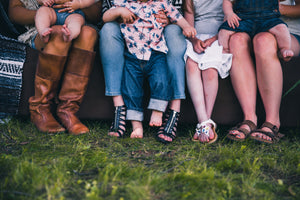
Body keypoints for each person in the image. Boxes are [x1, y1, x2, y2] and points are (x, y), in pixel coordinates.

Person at [102, 0, 196, 139]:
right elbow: (105, 17)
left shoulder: (161, 3)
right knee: (131, 90)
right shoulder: (125, 3)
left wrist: (186, 26)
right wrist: (119, 11)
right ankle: (136, 126)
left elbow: (177, 15)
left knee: (161, 81)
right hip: (132, 54)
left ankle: (158, 111)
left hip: (155, 52)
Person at [9, 0, 102, 135]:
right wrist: (47, 14)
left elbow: (96, 15)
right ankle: (40, 109)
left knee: (88, 33)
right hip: (41, 26)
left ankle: (68, 110)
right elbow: (14, 12)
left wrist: (72, 3)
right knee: (57, 33)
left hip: (77, 21)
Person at [224, 0, 300, 144]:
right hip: (251, 26)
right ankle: (249, 118)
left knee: (263, 41)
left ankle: (272, 122)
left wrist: (273, 8)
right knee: (237, 40)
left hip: (288, 33)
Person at [183, 0, 232, 143]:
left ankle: (206, 120)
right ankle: (203, 121)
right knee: (191, 64)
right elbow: (189, 25)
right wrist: (194, 40)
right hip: (196, 38)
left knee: (210, 69)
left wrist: (213, 39)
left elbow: (229, 21)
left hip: (219, 38)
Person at [218, 0, 294, 62]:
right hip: (243, 19)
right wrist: (229, 13)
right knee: (224, 31)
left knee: (281, 28)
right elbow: (227, 1)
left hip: (268, 18)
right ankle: (225, 51)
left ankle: (284, 48)